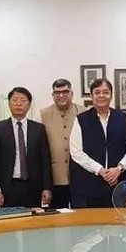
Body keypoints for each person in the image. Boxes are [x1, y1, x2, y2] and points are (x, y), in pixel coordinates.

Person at [69, 79, 126, 207]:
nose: (101, 95)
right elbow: (76, 151)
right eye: (97, 92)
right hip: (88, 186)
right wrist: (99, 170)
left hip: (117, 184)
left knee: (116, 224)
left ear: (111, 95)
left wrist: (119, 168)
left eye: (105, 92)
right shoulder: (81, 120)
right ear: (91, 96)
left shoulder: (123, 118)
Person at [0, 87, 53, 208]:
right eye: (15, 100)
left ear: (29, 105)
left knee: (33, 222)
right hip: (8, 186)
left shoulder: (39, 129)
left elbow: (45, 160)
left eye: (23, 100)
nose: (19, 103)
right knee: (9, 223)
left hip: (33, 185)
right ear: (9, 103)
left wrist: (47, 187)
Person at [38, 79, 85, 209]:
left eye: (65, 91)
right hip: (54, 177)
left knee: (81, 215)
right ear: (53, 95)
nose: (61, 95)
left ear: (72, 93)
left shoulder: (84, 112)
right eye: (57, 92)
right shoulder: (43, 114)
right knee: (57, 218)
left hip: (80, 176)